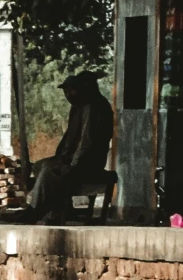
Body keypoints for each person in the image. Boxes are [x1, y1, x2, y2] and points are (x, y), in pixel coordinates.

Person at [28, 73, 117, 221]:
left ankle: (34, 212)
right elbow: (69, 139)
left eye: (72, 91)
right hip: (72, 158)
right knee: (39, 166)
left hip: (88, 162)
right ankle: (61, 207)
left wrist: (73, 164)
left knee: (49, 171)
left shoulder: (94, 107)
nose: (68, 95)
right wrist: (61, 157)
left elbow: (86, 141)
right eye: (66, 92)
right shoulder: (78, 108)